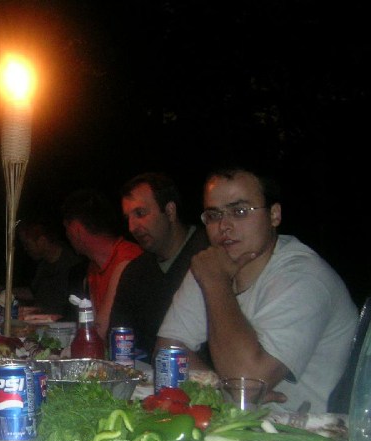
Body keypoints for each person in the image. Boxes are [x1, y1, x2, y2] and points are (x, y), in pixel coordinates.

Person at [156, 164, 358, 413]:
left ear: (274, 215)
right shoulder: (213, 265)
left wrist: (217, 283)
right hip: (252, 425)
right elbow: (168, 352)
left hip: (315, 431)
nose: (224, 226)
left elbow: (246, 387)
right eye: (214, 215)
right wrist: (220, 388)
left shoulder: (305, 277)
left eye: (239, 211)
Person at [109, 173, 210, 355]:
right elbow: (118, 341)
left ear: (170, 211)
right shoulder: (134, 273)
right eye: (128, 218)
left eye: (140, 213)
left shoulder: (210, 256)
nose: (132, 227)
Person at [62, 188, 143, 338]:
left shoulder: (129, 260)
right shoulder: (92, 268)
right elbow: (93, 328)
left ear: (76, 229)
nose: (66, 235)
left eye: (66, 228)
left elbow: (100, 330)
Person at [16, 216, 85, 320]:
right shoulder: (44, 265)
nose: (25, 249)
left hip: (61, 323)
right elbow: (35, 292)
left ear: (42, 241)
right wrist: (9, 292)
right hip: (41, 321)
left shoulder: (71, 264)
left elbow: (67, 305)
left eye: (27, 244)